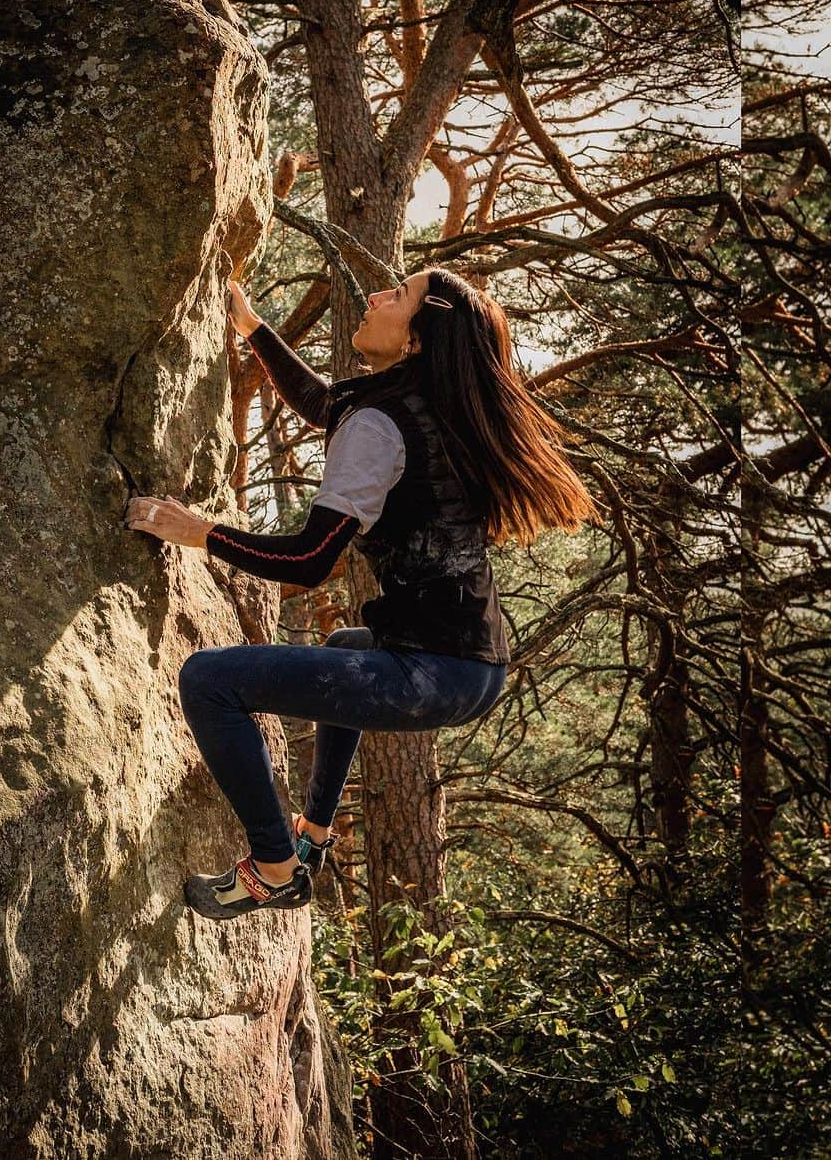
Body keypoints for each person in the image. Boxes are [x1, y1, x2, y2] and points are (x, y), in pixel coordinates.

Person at [125, 268, 602, 920]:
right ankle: (314, 835)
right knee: (347, 644)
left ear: (415, 342)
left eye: (396, 296)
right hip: (472, 666)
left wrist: (199, 531)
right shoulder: (418, 402)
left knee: (209, 680)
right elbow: (326, 406)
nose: (375, 297)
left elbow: (311, 559)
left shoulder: (385, 424)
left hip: (436, 672)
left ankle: (276, 866)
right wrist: (252, 328)